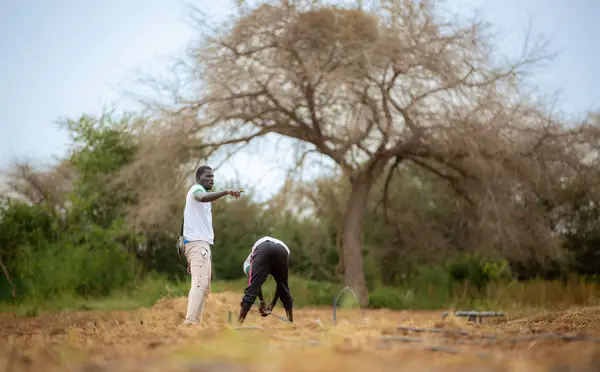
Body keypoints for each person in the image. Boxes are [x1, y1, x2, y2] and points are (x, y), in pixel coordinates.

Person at [181, 165, 242, 326]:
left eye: (213, 177)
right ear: (198, 178)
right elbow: (202, 197)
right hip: (198, 244)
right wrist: (225, 192)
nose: (211, 179)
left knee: (205, 288)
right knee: (199, 284)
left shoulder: (201, 198)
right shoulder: (196, 190)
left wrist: (187, 252)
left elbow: (186, 222)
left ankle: (195, 323)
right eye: (208, 176)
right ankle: (190, 323)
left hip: (200, 245)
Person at [237, 236, 294, 325]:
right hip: (282, 250)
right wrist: (271, 304)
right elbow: (280, 285)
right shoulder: (250, 263)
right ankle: (291, 323)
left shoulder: (247, 265)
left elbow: (255, 283)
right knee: (284, 287)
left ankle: (239, 324)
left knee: (251, 291)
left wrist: (262, 302)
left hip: (263, 248)